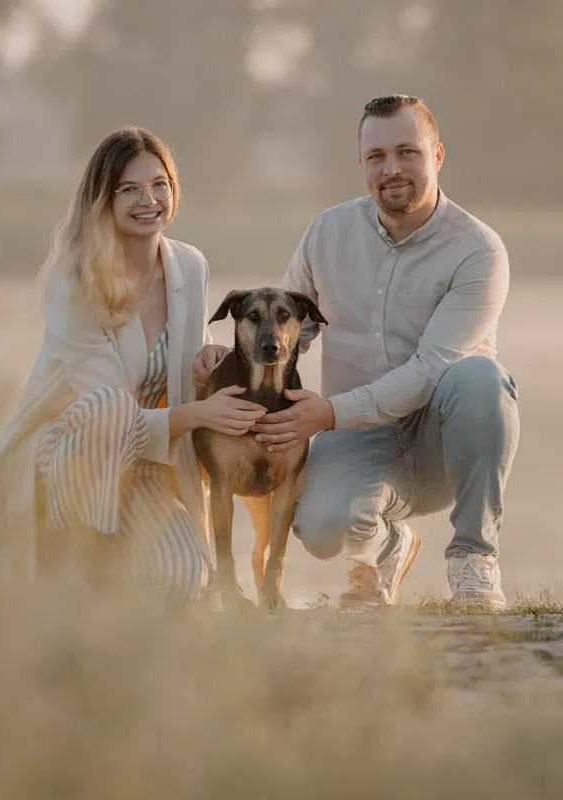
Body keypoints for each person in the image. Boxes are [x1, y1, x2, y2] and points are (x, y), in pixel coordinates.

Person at [194, 95, 520, 611]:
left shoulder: (478, 250)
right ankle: (390, 547)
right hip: (359, 435)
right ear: (362, 164)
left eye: (407, 152)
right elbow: (286, 331)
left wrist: (326, 412)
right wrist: (223, 357)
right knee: (320, 527)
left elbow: (430, 368)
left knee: (479, 378)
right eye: (377, 156)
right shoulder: (328, 232)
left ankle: (474, 559)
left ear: (437, 155)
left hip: (442, 437)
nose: (391, 170)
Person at [0, 126, 267, 602]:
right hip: (67, 456)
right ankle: (73, 563)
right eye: (129, 189)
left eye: (160, 185)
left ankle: (112, 571)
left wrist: (205, 367)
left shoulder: (189, 266)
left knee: (181, 581)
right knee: (110, 406)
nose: (149, 199)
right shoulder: (73, 282)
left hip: (145, 464)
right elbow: (110, 412)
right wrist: (201, 413)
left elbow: (180, 364)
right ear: (103, 199)